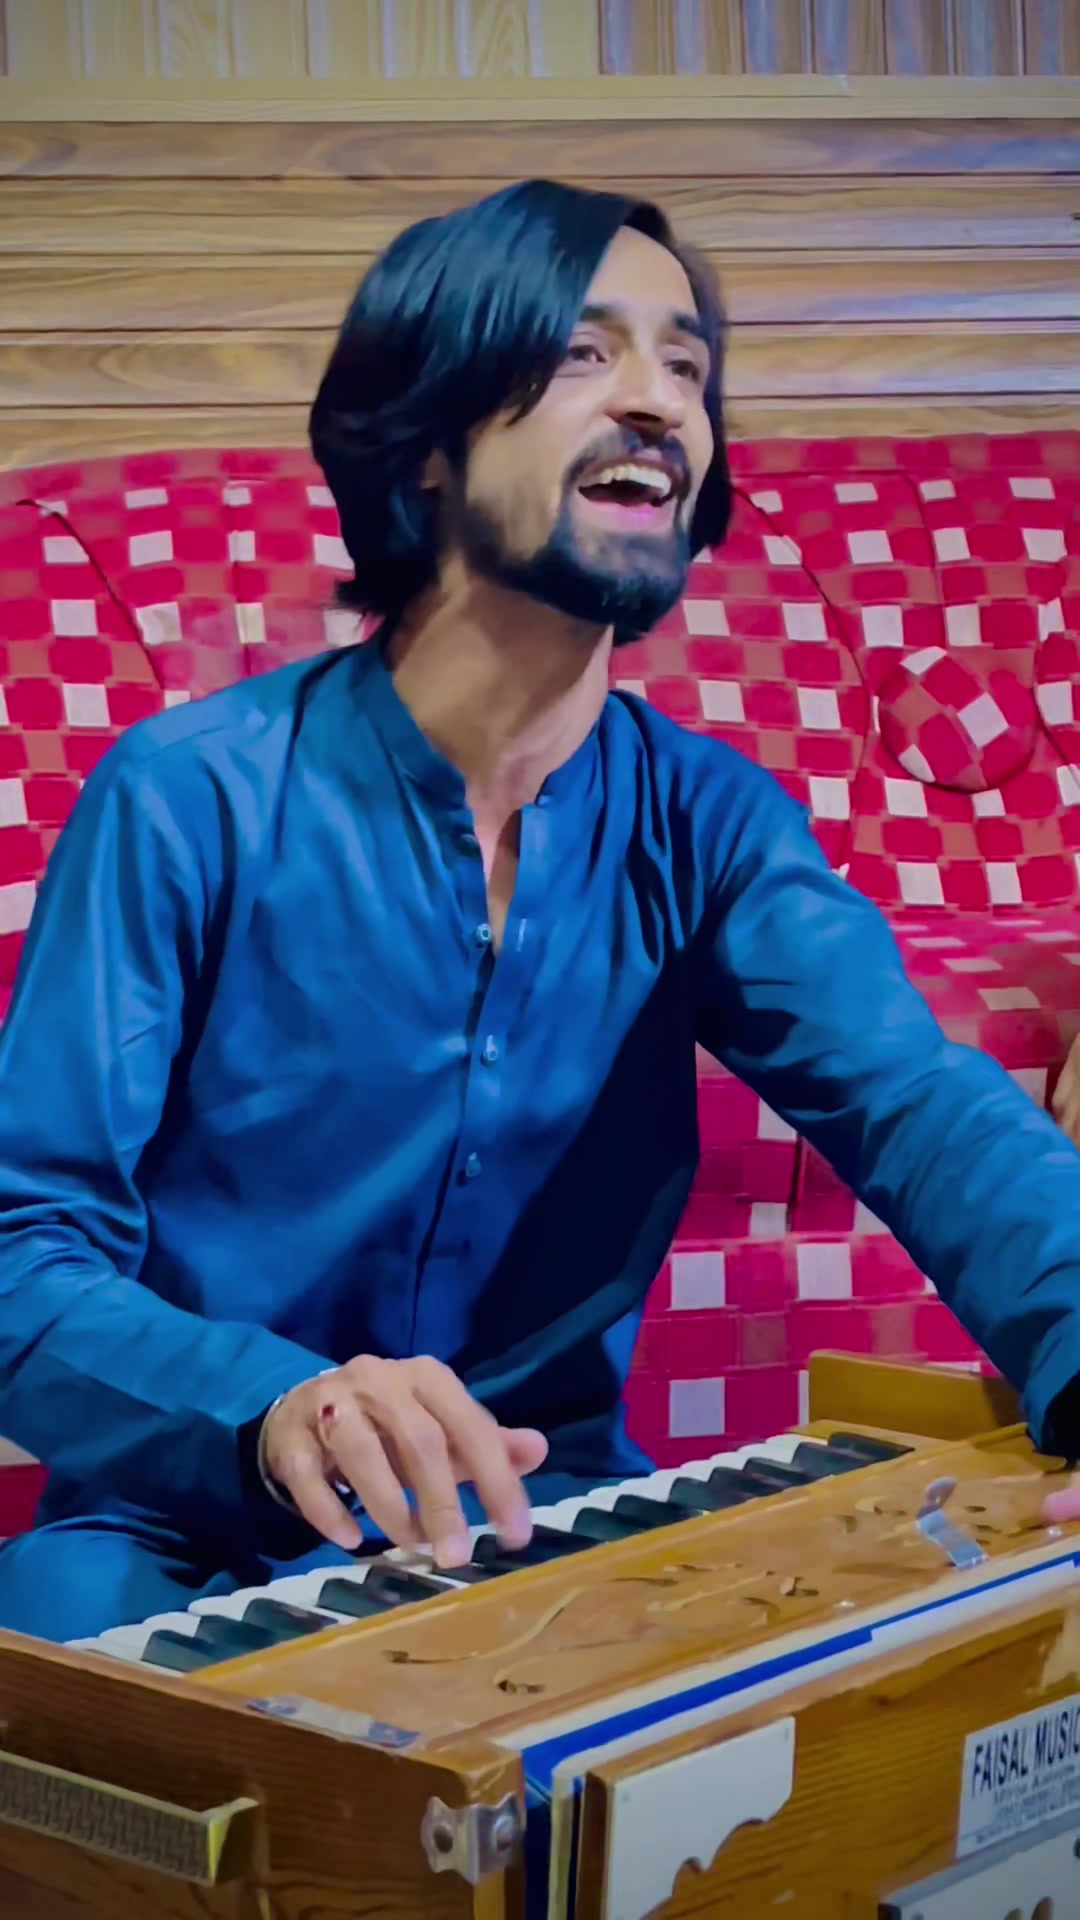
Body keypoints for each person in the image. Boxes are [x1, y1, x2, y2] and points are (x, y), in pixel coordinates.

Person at [0, 180, 1078, 1647]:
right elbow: (22, 1249)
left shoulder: (709, 822)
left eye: (686, 365)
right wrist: (276, 1407)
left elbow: (919, 1107)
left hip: (549, 1522)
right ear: (429, 443)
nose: (660, 401)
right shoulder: (186, 799)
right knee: (60, 1648)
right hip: (188, 1521)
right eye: (586, 352)